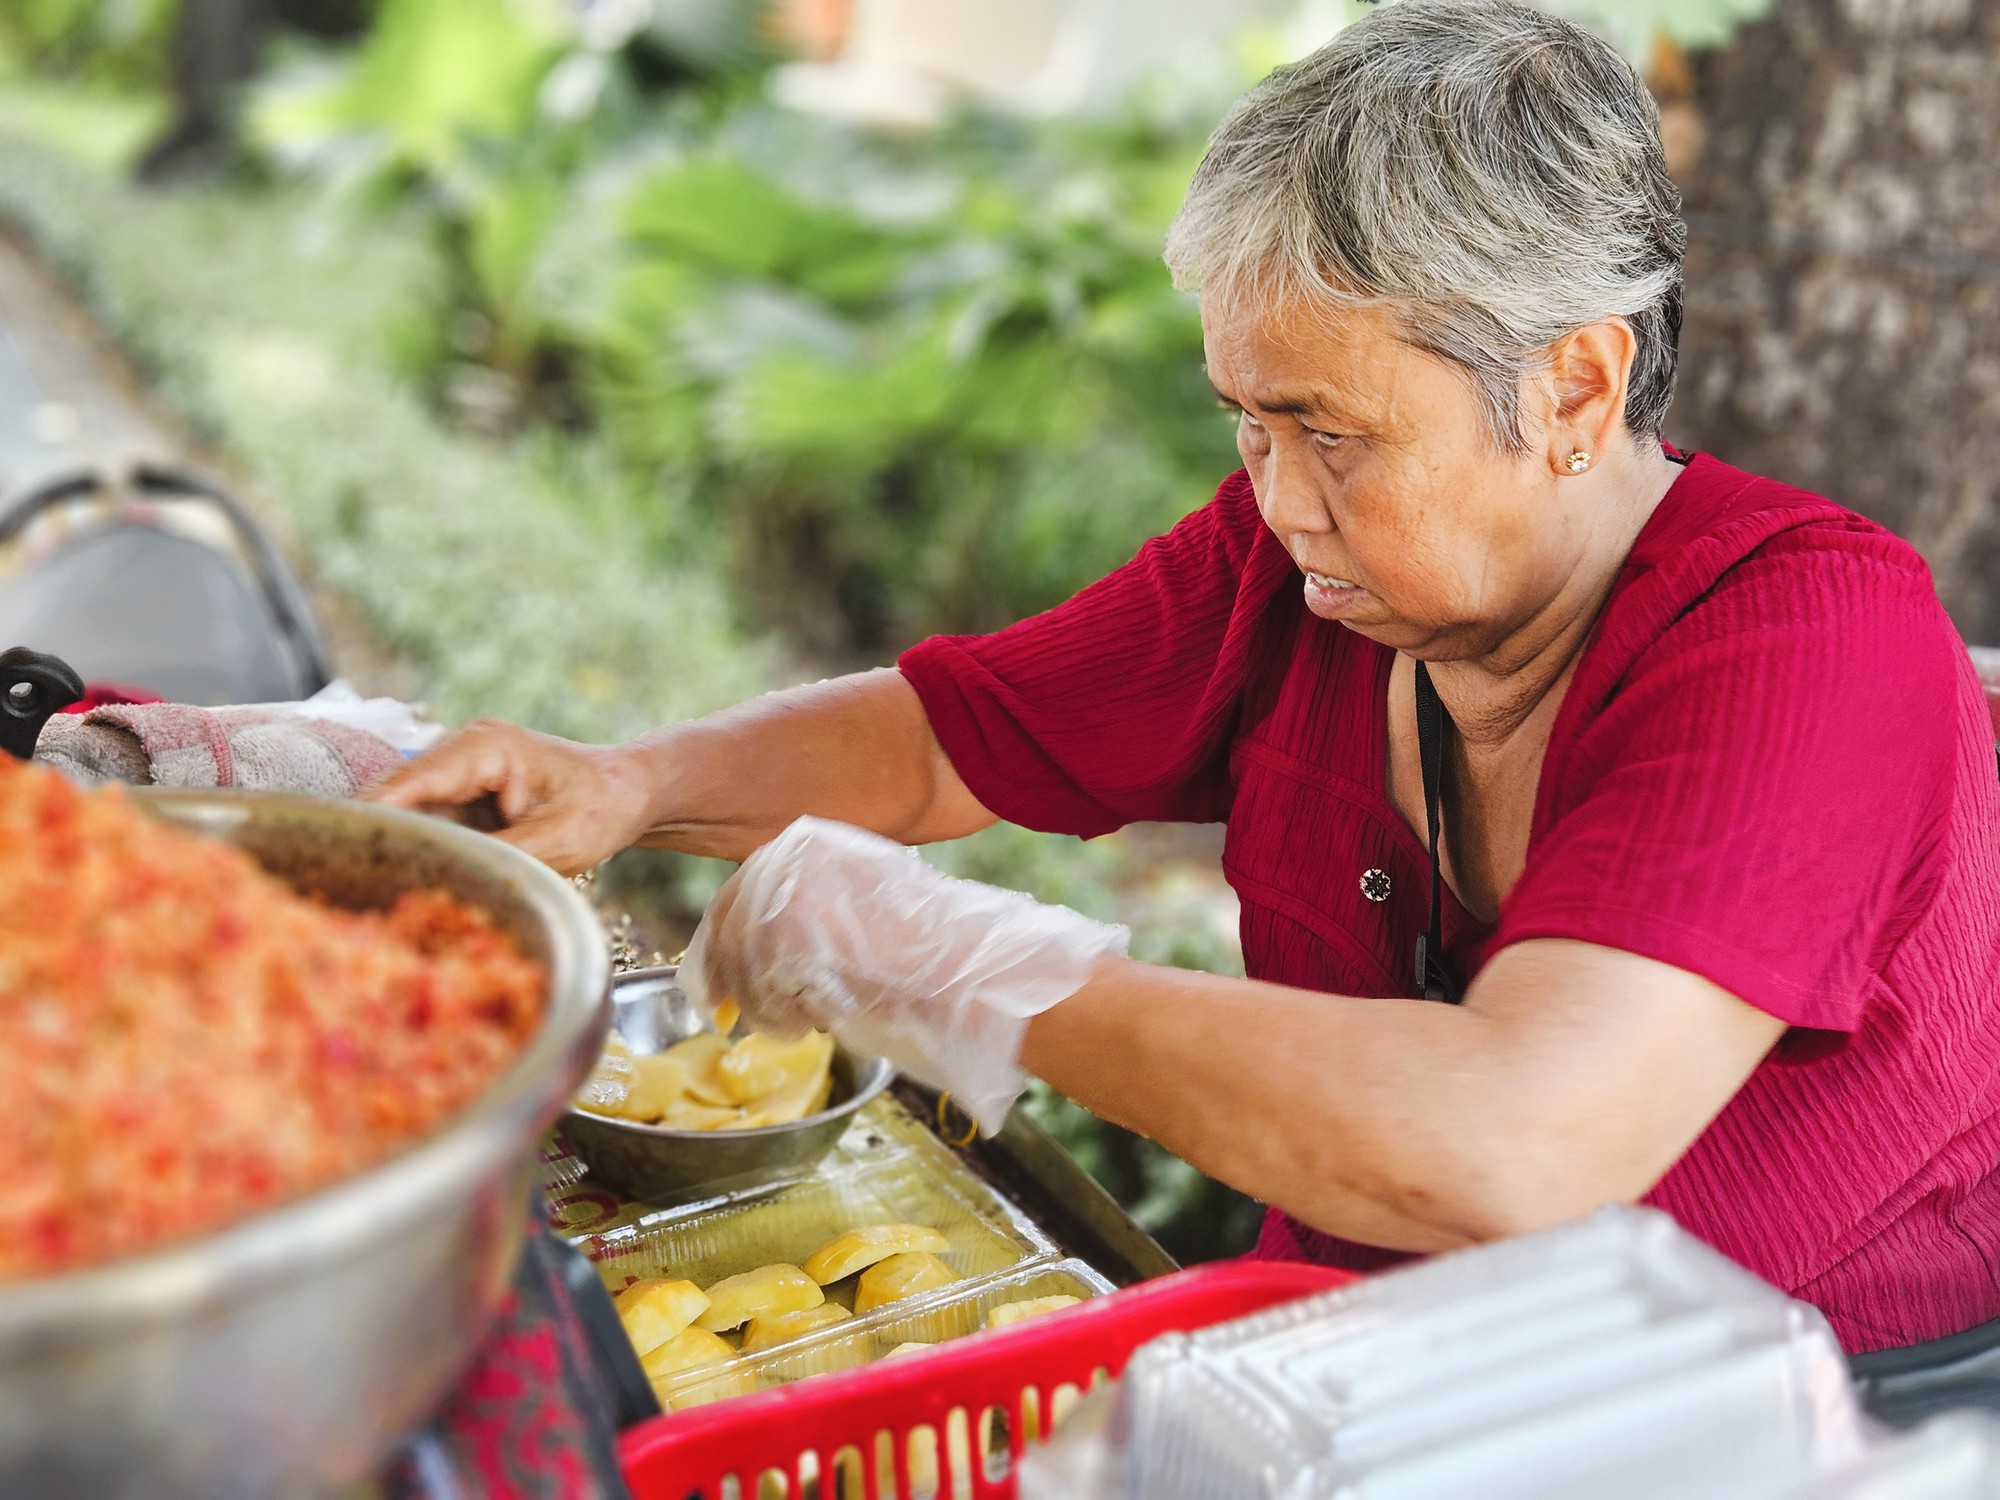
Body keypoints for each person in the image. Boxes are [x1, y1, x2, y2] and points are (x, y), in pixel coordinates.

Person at [375, 0, 2000, 1355]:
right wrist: (632, 785)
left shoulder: (1810, 642)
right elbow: (951, 739)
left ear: (1575, 384)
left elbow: (1513, 1144)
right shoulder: (1297, 570)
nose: (1280, 498)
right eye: (1252, 423)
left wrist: (961, 965)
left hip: (1766, 1416)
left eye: (1336, 436)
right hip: (1338, 1363)